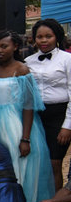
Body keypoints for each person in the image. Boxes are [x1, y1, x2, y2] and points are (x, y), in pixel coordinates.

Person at [0, 30, 54, 202]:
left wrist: (25, 138)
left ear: (16, 47)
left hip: (15, 124)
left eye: (4, 46)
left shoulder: (22, 70)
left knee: (17, 166)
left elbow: (28, 106)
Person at [25, 19, 71, 191]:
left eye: (48, 36)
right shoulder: (28, 61)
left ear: (57, 37)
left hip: (60, 114)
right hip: (36, 115)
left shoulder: (67, 59)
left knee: (54, 162)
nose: (43, 40)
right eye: (39, 37)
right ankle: (39, 201)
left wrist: (67, 126)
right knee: (38, 160)